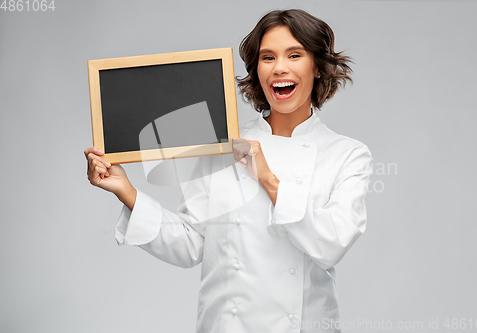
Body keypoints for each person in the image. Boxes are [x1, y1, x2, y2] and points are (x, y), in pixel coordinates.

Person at [85, 9, 372, 333]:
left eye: (294, 54)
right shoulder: (222, 144)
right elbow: (192, 243)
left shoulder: (347, 155)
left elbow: (331, 244)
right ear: (256, 70)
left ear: (317, 67)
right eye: (267, 57)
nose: (280, 68)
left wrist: (267, 178)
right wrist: (128, 192)